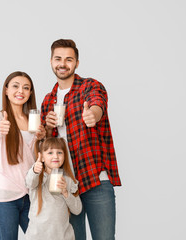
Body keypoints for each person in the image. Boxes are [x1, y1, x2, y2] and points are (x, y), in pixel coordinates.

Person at [40, 39, 122, 240]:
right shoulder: (48, 100)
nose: (63, 63)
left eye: (69, 59)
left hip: (95, 180)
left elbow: (97, 101)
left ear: (76, 63)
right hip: (65, 185)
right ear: (51, 61)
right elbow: (45, 148)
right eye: (58, 58)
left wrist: (94, 114)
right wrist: (47, 129)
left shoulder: (89, 86)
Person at [0, 71, 46, 240]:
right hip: (4, 199)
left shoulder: (34, 121)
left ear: (30, 93)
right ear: (6, 90)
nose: (21, 91)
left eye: (26, 88)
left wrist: (41, 139)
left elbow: (35, 160)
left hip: (31, 196)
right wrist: (0, 129)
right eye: (15, 86)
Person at [25, 137, 82, 240]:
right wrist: (35, 170)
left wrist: (65, 192)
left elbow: (77, 210)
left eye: (59, 152)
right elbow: (30, 182)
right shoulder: (37, 178)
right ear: (42, 157)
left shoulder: (68, 181)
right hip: (37, 236)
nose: (56, 156)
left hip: (63, 237)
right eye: (50, 153)